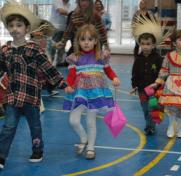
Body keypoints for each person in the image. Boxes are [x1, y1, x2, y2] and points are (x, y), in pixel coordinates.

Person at [0, 2, 67, 169]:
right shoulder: (5, 50)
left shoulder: (34, 49)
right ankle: (1, 157)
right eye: (11, 25)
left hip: (30, 97)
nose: (15, 29)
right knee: (8, 127)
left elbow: (48, 68)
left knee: (35, 126)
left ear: (26, 28)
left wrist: (62, 83)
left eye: (19, 25)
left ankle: (38, 150)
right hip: (12, 97)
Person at [63, 24, 120, 160]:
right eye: (83, 39)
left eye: (89, 39)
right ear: (78, 42)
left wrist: (114, 77)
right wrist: (69, 85)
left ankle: (91, 148)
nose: (86, 42)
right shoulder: (75, 57)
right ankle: (84, 138)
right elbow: (71, 74)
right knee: (73, 120)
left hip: (96, 93)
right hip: (80, 93)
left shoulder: (101, 56)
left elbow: (108, 70)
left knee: (90, 121)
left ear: (95, 41)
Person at [131, 32, 163, 135]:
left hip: (154, 90)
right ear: (140, 44)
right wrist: (134, 85)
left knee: (152, 109)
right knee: (145, 109)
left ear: (153, 45)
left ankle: (150, 127)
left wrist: (159, 84)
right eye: (143, 44)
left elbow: (162, 73)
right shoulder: (138, 59)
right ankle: (149, 123)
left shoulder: (158, 58)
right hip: (142, 90)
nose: (145, 46)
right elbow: (134, 73)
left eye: (148, 44)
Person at [30, 19, 59, 97]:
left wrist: (58, 44)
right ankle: (34, 91)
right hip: (36, 62)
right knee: (37, 77)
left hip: (46, 60)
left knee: (49, 76)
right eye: (40, 29)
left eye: (43, 30)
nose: (41, 32)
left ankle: (51, 90)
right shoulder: (32, 41)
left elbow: (54, 44)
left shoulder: (47, 39)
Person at [48, 0, 72, 66]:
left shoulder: (69, 5)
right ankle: (50, 63)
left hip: (64, 29)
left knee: (62, 48)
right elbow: (61, 11)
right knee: (52, 47)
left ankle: (59, 63)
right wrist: (72, 14)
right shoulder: (57, 1)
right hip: (55, 28)